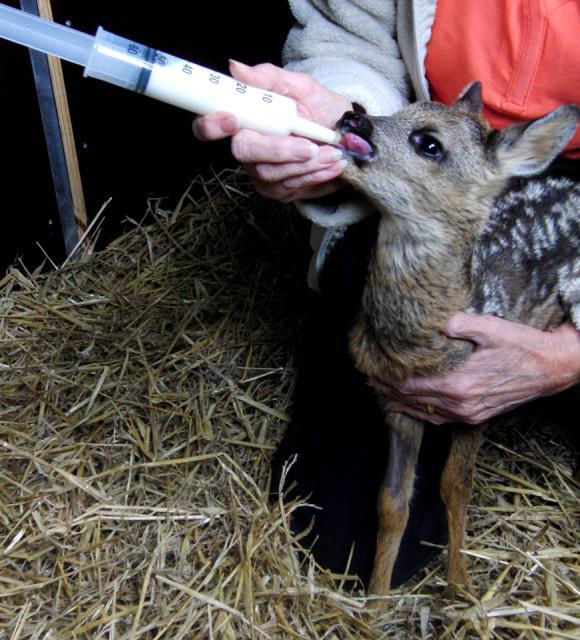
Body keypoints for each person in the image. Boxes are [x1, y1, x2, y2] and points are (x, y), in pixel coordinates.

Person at [194, 1, 580, 587]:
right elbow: (351, 38)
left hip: (518, 197)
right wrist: (333, 125)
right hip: (429, 168)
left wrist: (566, 356)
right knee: (338, 538)